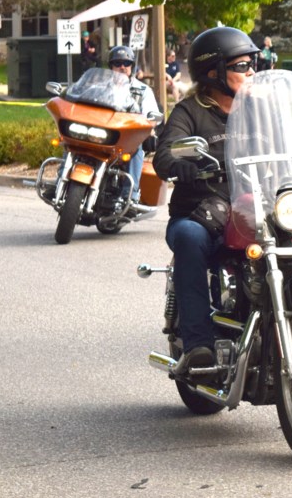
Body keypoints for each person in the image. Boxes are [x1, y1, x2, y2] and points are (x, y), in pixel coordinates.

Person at [153, 26, 261, 377]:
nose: (251, 73)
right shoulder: (190, 111)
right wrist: (180, 164)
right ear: (213, 71)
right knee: (189, 238)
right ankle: (198, 342)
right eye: (242, 66)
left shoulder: (261, 109)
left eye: (252, 65)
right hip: (204, 213)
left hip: (259, 210)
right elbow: (165, 154)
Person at [107, 45, 161, 198]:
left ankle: (131, 195)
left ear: (132, 66)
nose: (122, 67)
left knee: (136, 147)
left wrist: (150, 125)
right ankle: (62, 180)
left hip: (126, 138)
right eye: (117, 63)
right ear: (111, 66)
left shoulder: (143, 90)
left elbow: (152, 115)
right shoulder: (100, 87)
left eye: (126, 63)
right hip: (103, 134)